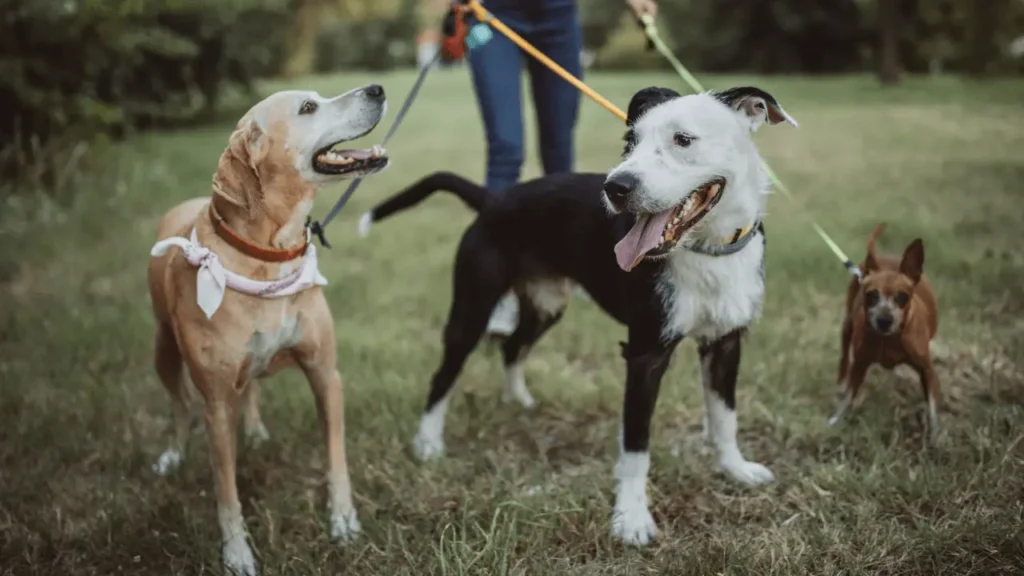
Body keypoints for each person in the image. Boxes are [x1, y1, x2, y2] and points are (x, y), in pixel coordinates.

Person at [456, 0, 658, 336]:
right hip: (491, 15)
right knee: (506, 149)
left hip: (557, 17)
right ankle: (499, 286)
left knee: (558, 150)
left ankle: (564, 268)